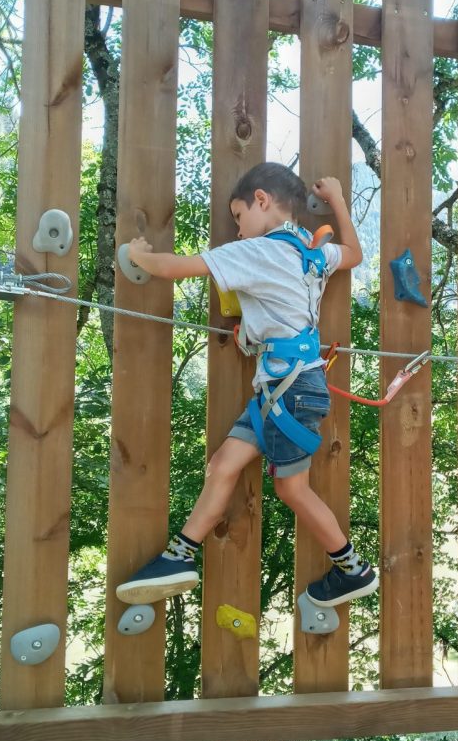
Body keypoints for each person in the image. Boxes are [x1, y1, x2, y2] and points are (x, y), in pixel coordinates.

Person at [115, 162, 378, 609]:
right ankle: (180, 557)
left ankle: (353, 570)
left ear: (261, 200)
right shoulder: (310, 254)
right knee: (223, 465)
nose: (237, 231)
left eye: (239, 218)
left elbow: (176, 268)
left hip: (289, 390)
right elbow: (352, 252)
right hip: (285, 389)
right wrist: (336, 200)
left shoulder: (258, 251)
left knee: (291, 489)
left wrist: (138, 255)